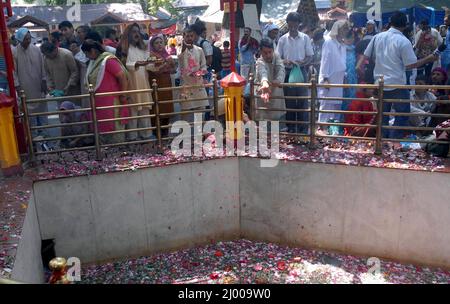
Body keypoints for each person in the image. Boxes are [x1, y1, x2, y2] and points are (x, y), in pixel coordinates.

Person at [363, 11, 439, 139]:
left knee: (383, 115)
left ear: (390, 23)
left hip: (380, 82)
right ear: (404, 26)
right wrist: (429, 59)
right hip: (397, 83)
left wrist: (381, 64)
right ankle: (393, 140)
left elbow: (367, 56)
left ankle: (383, 141)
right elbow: (410, 65)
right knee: (403, 113)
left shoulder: (378, 37)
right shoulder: (403, 41)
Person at [82, 39, 129, 144]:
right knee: (102, 129)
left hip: (112, 102)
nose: (86, 57)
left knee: (114, 130)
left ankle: (119, 152)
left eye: (87, 53)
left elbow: (122, 77)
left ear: (93, 51)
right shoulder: (95, 62)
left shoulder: (107, 61)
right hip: (100, 103)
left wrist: (123, 95)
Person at [276, 12, 314, 134]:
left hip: (301, 71)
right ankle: (291, 127)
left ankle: (303, 128)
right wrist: (285, 61)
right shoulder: (282, 39)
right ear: (288, 24)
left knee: (302, 100)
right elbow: (277, 58)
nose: (293, 26)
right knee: (290, 100)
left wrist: (302, 62)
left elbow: (310, 56)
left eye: (295, 23)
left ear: (298, 24)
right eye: (291, 23)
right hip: (287, 71)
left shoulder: (305, 38)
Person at [120, 23, 154, 141]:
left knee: (145, 110)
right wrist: (135, 64)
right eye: (133, 32)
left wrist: (155, 63)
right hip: (130, 84)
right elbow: (121, 66)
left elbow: (149, 65)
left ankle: (146, 136)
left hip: (143, 82)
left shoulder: (142, 48)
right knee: (133, 111)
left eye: (137, 32)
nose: (136, 34)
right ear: (128, 34)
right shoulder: (123, 49)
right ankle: (132, 137)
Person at [12, 28, 48, 136]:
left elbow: (42, 66)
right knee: (29, 116)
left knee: (43, 114)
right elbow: (14, 72)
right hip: (25, 87)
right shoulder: (14, 52)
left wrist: (44, 80)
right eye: (25, 39)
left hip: (38, 85)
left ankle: (47, 141)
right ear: (19, 39)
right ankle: (34, 142)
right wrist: (17, 87)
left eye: (29, 39)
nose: (28, 41)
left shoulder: (36, 49)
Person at [318, 20, 349, 131]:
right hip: (329, 79)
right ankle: (322, 132)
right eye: (344, 28)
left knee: (336, 107)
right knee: (326, 106)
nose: (346, 31)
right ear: (337, 29)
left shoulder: (343, 44)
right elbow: (325, 61)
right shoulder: (329, 42)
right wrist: (325, 78)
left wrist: (344, 75)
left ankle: (333, 133)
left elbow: (343, 62)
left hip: (339, 80)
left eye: (346, 29)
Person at [178, 26, 209, 122]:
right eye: (187, 36)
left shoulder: (199, 50)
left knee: (200, 110)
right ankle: (185, 133)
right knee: (185, 111)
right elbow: (180, 55)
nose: (189, 38)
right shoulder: (180, 49)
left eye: (191, 36)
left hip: (198, 83)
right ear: (184, 37)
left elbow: (204, 66)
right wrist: (184, 46)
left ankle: (199, 134)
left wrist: (199, 73)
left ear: (195, 36)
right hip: (186, 84)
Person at [148, 34, 177, 134]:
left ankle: (164, 133)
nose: (159, 45)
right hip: (157, 84)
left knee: (167, 107)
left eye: (161, 42)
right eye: (156, 43)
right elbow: (153, 71)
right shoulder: (151, 56)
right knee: (157, 107)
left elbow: (174, 70)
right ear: (152, 45)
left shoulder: (166, 55)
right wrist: (165, 65)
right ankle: (157, 133)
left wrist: (170, 66)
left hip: (167, 84)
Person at [254, 38, 285, 123]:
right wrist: (264, 83)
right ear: (260, 52)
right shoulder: (259, 62)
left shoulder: (277, 56)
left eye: (270, 52)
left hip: (275, 93)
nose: (268, 55)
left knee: (277, 124)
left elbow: (281, 69)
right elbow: (262, 72)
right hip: (263, 94)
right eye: (265, 53)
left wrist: (278, 80)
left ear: (273, 50)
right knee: (263, 123)